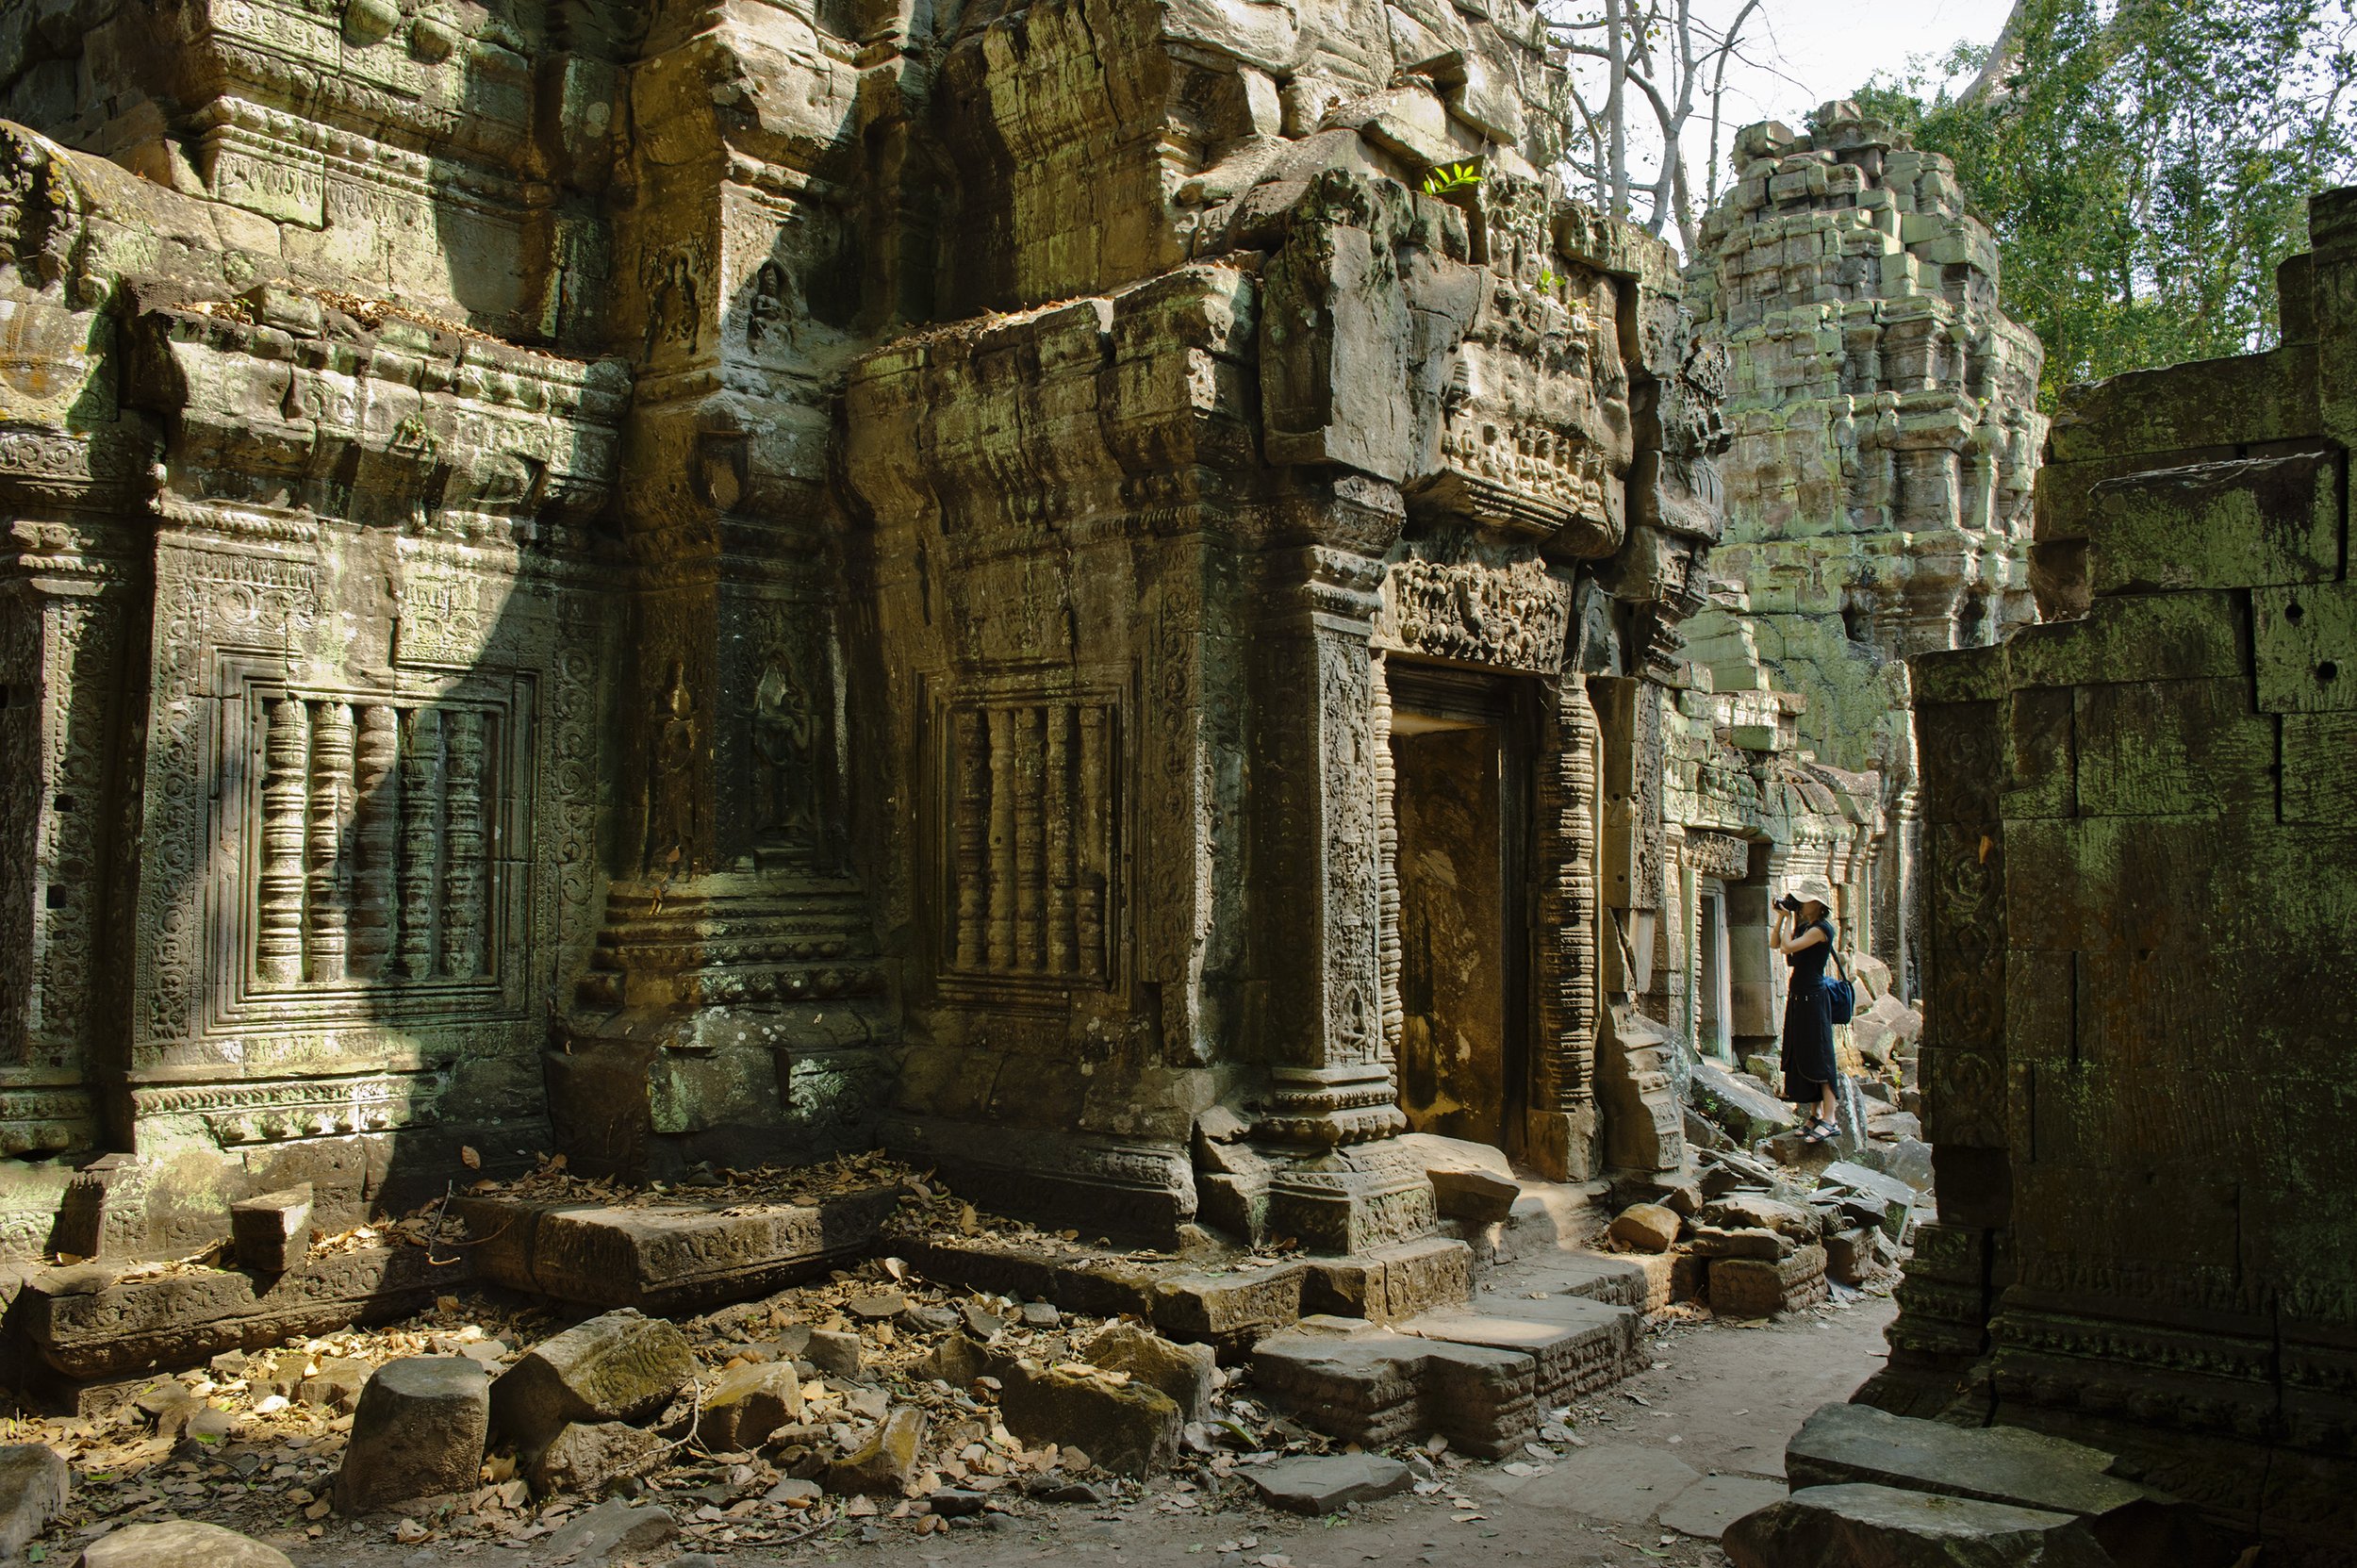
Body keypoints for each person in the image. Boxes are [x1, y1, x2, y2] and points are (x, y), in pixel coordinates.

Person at [1772, 876, 1842, 1144]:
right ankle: (1814, 1115)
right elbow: (1776, 945)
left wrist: (1790, 919)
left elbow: (1788, 946)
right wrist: (1781, 918)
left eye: (1805, 900)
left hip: (1814, 996)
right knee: (1801, 1051)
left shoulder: (1821, 929)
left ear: (1818, 904)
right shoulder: (1805, 927)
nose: (1800, 904)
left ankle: (1830, 1118)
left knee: (1821, 1054)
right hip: (1798, 995)